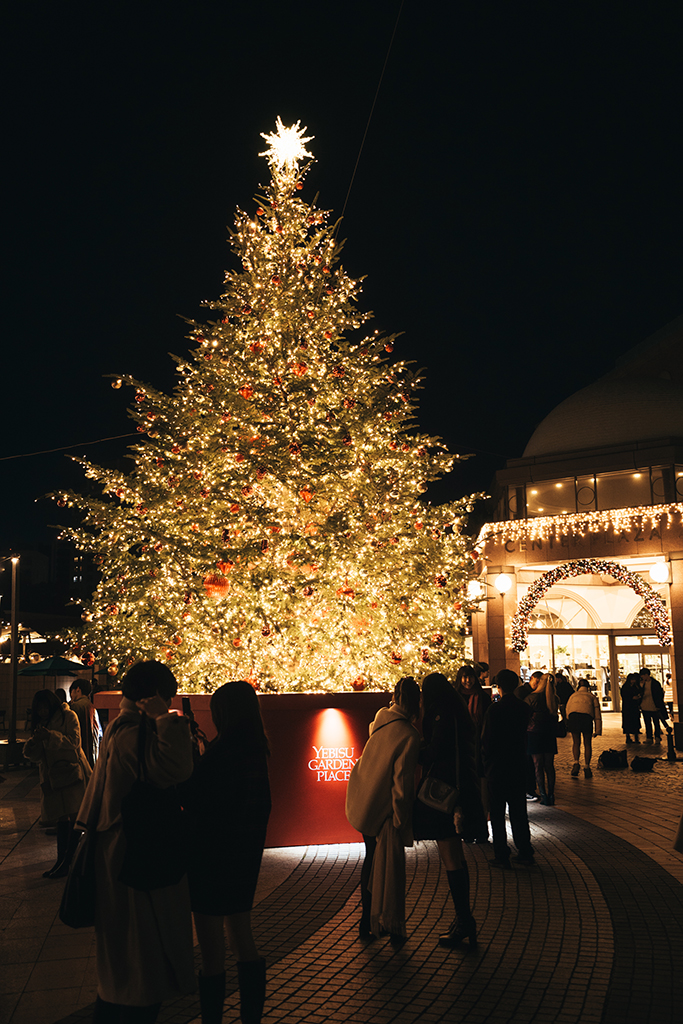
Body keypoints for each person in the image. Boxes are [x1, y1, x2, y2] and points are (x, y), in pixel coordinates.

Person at [77, 660, 195, 1023]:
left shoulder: (120, 727)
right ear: (155, 695)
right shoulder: (133, 733)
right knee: (139, 956)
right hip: (134, 858)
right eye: (168, 695)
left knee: (128, 958)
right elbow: (176, 769)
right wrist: (165, 719)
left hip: (123, 852)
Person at [182, 682, 272, 1024]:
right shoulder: (255, 749)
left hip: (210, 858)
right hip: (243, 858)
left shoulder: (222, 753)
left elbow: (193, 798)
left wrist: (192, 753)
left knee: (211, 950)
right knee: (241, 937)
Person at [346, 677, 421, 947]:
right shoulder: (409, 736)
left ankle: (366, 922)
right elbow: (401, 785)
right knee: (389, 869)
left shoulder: (380, 720)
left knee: (370, 862)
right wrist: (401, 821)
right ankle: (389, 924)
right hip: (384, 813)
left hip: (364, 802)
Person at [413, 673, 483, 948]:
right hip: (461, 789)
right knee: (456, 857)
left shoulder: (442, 714)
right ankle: (464, 919)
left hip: (445, 795)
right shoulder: (458, 711)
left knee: (451, 857)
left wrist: (415, 747)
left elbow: (434, 752)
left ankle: (464, 921)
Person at [23, 688, 92, 878]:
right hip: (52, 777)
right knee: (61, 818)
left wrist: (51, 736)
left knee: (73, 816)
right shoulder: (42, 722)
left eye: (45, 707)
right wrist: (34, 743)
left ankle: (68, 861)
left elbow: (75, 744)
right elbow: (36, 756)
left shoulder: (68, 716)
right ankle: (61, 861)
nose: (42, 711)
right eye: (38, 709)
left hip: (72, 774)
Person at [481, 670, 535, 867]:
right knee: (519, 811)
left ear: (499, 686)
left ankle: (501, 853)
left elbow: (487, 740)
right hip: (518, 764)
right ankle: (525, 850)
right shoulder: (523, 708)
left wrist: (486, 762)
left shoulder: (494, 710)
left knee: (497, 813)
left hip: (497, 766)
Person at [454, 664, 491, 842]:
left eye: (470, 677)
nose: (467, 681)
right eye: (464, 677)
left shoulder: (483, 697)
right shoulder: (456, 697)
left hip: (479, 747)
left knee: (480, 791)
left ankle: (480, 829)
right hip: (462, 747)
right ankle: (465, 829)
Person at [525, 672, 559, 806]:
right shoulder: (554, 698)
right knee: (549, 766)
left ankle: (543, 795)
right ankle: (551, 794)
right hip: (549, 734)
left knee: (537, 766)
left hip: (534, 734)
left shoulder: (532, 697)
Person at [566, 678, 602, 778]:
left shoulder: (573, 695)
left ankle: (576, 763)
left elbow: (568, 710)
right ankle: (587, 767)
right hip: (586, 719)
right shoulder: (592, 696)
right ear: (588, 687)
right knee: (587, 743)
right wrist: (598, 730)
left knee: (576, 742)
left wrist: (569, 721)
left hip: (574, 718)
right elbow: (597, 714)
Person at [69, 678, 103, 767]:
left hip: (80, 751)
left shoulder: (74, 706)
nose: (71, 696)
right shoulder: (92, 706)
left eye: (71, 692)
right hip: (93, 750)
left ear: (77, 689)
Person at [639, 667, 668, 742]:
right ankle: (649, 737)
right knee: (647, 723)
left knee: (656, 722)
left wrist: (658, 705)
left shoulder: (655, 683)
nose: (641, 677)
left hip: (654, 706)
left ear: (646, 675)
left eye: (642, 675)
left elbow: (659, 695)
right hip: (645, 706)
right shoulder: (642, 684)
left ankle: (657, 737)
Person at [620, 672, 643, 743]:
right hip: (627, 707)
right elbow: (624, 696)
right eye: (632, 679)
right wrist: (632, 697)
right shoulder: (625, 687)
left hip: (634, 707)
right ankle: (628, 737)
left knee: (635, 721)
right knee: (628, 722)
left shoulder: (636, 686)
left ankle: (636, 737)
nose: (633, 681)